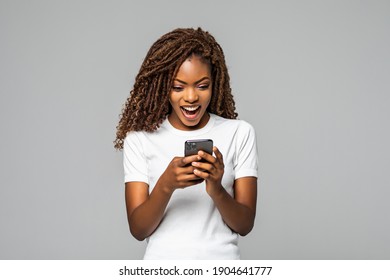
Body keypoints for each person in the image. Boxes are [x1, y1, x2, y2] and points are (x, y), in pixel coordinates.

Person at [114, 27, 258, 259]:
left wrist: (217, 189)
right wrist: (166, 185)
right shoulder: (139, 140)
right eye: (178, 87)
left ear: (215, 83)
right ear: (162, 87)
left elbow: (245, 225)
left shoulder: (240, 133)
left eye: (202, 86)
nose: (191, 97)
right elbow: (139, 230)